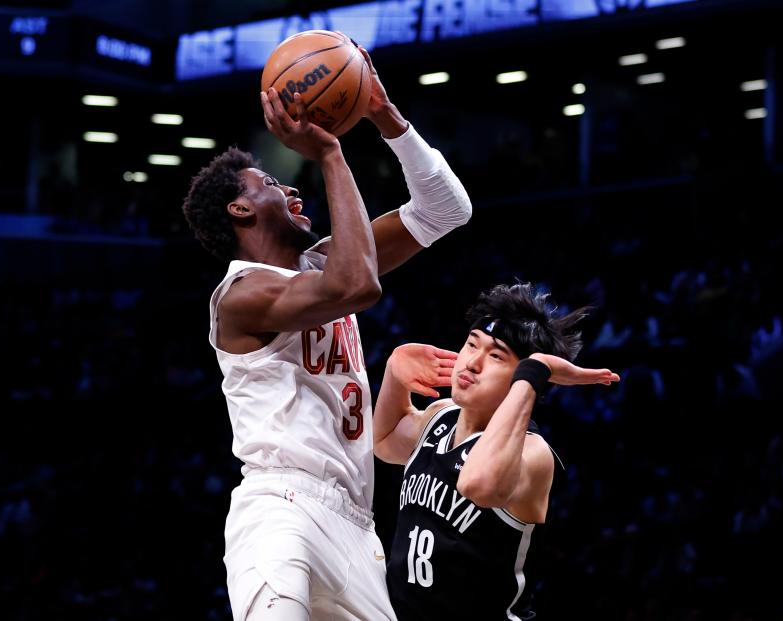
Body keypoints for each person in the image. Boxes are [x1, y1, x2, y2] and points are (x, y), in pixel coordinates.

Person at [181, 44, 472, 621]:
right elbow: (357, 286)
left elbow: (447, 210)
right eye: (268, 181)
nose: (291, 189)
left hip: (357, 525)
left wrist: (385, 116)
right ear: (240, 211)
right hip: (280, 505)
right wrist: (331, 154)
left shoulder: (321, 265)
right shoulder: (240, 295)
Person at [373, 282, 620, 620]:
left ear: (521, 379)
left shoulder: (533, 454)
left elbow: (479, 485)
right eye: (472, 344)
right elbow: (385, 441)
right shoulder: (439, 416)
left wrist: (535, 373)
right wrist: (394, 371)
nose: (472, 362)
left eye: (496, 356)